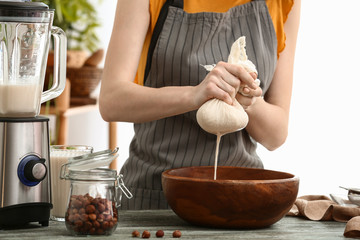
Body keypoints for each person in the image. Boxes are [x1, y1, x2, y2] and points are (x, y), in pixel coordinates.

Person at [99, 0, 301, 209]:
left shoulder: (282, 3)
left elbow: (275, 136)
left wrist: (247, 98)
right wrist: (195, 95)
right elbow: (111, 101)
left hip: (241, 200)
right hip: (155, 198)